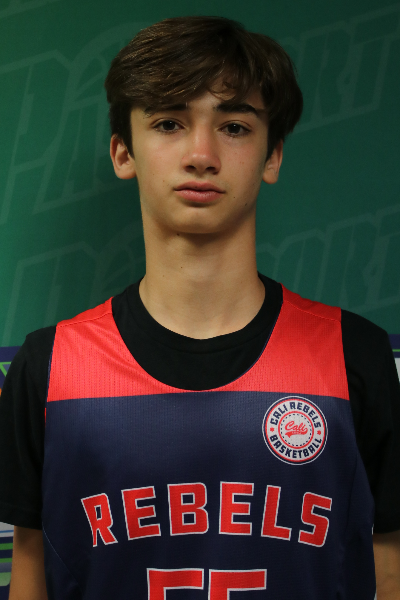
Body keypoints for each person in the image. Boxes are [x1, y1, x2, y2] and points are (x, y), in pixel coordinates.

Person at [1, 15, 399, 600]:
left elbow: (388, 570)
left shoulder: (353, 356)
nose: (201, 154)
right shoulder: (48, 368)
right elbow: (31, 571)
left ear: (272, 155)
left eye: (234, 126)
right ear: (123, 152)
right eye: (168, 123)